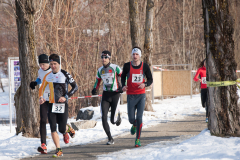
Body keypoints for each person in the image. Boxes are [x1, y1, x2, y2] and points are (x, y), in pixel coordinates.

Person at [39, 54, 78, 157]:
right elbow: (42, 88)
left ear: (59, 64)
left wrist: (66, 96)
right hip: (52, 104)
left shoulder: (65, 74)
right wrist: (41, 97)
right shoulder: (48, 76)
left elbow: (75, 87)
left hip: (62, 105)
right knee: (52, 128)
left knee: (61, 129)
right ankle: (58, 149)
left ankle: (68, 129)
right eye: (51, 64)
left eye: (55, 64)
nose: (53, 66)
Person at [121, 46, 153, 147]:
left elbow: (150, 79)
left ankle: (137, 139)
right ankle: (134, 124)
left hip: (141, 95)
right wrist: (123, 85)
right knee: (131, 119)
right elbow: (122, 78)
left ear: (140, 55)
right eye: (133, 54)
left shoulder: (145, 66)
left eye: (137, 54)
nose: (135, 56)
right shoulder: (127, 66)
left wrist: (145, 84)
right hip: (130, 95)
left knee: (139, 117)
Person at [92, 50, 122, 145]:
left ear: (109, 58)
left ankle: (118, 117)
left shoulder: (115, 67)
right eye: (102, 57)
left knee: (113, 121)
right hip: (106, 95)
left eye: (105, 57)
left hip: (115, 94)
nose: (103, 59)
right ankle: (110, 138)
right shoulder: (100, 70)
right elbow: (98, 81)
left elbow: (123, 75)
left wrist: (123, 86)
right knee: (103, 117)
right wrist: (94, 89)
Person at [29, 54, 52, 154]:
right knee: (43, 120)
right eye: (40, 64)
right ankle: (43, 144)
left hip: (54, 98)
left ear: (48, 62)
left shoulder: (53, 70)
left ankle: (67, 129)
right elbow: (40, 79)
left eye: (43, 64)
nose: (41, 67)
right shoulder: (40, 71)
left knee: (56, 121)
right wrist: (35, 82)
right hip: (43, 98)